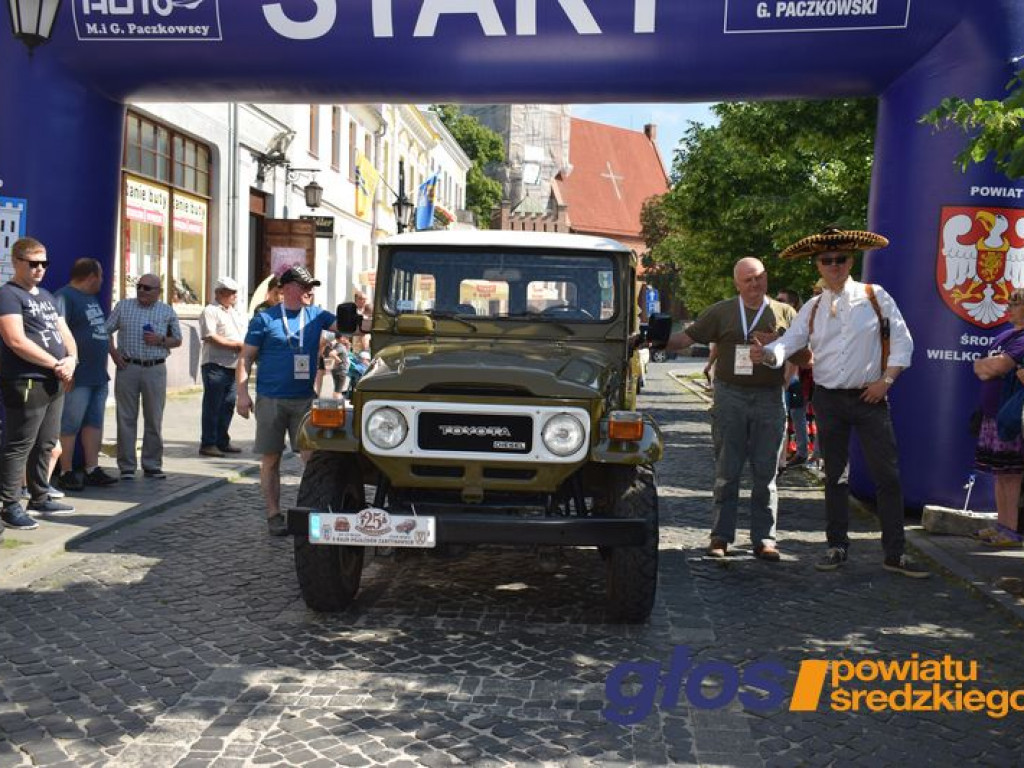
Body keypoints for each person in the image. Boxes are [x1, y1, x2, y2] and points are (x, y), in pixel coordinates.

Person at [751, 227, 928, 578]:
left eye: (841, 259)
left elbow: (904, 343)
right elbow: (791, 342)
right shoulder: (814, 307)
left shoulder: (875, 296)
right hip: (829, 398)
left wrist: (885, 381)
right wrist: (768, 355)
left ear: (852, 261)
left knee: (887, 476)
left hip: (869, 397)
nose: (834, 265)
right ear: (818, 264)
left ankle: (895, 552)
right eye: (827, 260)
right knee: (835, 476)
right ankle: (836, 546)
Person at [661, 257, 798, 561]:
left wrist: (781, 344)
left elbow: (805, 357)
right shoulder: (721, 311)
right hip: (730, 396)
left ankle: (764, 539)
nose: (754, 284)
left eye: (759, 278)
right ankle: (720, 537)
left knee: (766, 473)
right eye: (747, 280)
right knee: (727, 470)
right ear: (736, 283)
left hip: (768, 397)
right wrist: (655, 342)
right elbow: (686, 338)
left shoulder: (785, 313)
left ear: (767, 279)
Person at [236, 266, 336, 536]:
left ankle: (314, 509)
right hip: (271, 399)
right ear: (287, 288)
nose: (310, 291)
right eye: (305, 286)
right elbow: (245, 357)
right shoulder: (265, 319)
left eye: (311, 287)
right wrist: (242, 394)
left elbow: (347, 326)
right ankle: (274, 515)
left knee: (311, 458)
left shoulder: (317, 315)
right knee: (271, 458)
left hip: (304, 400)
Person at [0, 237, 79, 531]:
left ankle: (40, 495)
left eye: (44, 263)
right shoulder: (8, 295)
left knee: (46, 442)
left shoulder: (46, 295)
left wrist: (72, 358)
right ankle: (9, 505)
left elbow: (64, 331)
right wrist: (55, 364)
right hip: (27, 380)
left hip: (55, 379)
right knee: (20, 443)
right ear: (16, 262)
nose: (40, 269)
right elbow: (15, 340)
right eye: (33, 264)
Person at [106, 274, 182, 480]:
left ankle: (152, 464)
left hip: (155, 369)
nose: (141, 291)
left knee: (154, 418)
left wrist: (161, 339)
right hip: (128, 367)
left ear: (158, 292)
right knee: (125, 418)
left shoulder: (166, 310)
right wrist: (114, 354)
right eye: (139, 286)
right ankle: (127, 466)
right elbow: (104, 331)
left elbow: (177, 340)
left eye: (147, 288)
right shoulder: (123, 306)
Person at [54, 258, 119, 491]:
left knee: (94, 422)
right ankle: (66, 471)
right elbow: (58, 334)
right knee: (69, 423)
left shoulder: (91, 298)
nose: (102, 281)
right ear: (92, 276)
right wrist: (67, 371)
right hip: (78, 376)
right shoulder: (64, 297)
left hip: (97, 375)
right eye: (100, 276)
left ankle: (92, 469)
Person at [971, 290, 1024, 548]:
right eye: (1009, 303)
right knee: (999, 473)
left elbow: (997, 367)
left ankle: (1012, 530)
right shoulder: (1004, 335)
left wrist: (986, 365)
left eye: (1016, 304)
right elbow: (980, 369)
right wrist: (985, 365)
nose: (1009, 309)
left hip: (1011, 415)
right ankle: (1001, 525)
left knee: (1012, 474)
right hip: (991, 414)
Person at [199, 276, 246, 457]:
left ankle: (222, 440)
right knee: (213, 405)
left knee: (228, 404)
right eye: (230, 292)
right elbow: (210, 336)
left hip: (235, 365)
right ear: (219, 293)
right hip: (215, 364)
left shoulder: (236, 312)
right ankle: (208, 443)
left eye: (235, 292)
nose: (234, 295)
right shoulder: (210, 311)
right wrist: (237, 346)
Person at [774, 288, 811, 469]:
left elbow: (794, 358)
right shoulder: (779, 322)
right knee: (790, 419)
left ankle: (791, 457)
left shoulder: (796, 324)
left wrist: (785, 382)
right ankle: (791, 455)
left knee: (790, 419)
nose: (777, 301)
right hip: (786, 381)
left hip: (793, 382)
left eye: (782, 299)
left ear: (793, 304)